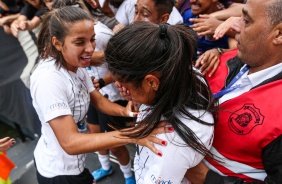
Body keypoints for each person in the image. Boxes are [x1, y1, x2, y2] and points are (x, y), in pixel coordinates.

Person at [31, 6, 171, 184]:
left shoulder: (76, 66)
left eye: (92, 39)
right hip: (57, 172)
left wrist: (127, 112)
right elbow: (70, 142)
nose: (90, 49)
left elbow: (98, 100)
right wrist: (134, 134)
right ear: (57, 43)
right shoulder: (48, 80)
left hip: (75, 166)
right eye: (80, 42)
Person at [105, 21, 216, 184]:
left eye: (122, 81)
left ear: (151, 82)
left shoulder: (169, 142)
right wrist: (137, 96)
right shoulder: (185, 74)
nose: (118, 86)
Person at [184, 0, 282, 183]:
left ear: (279, 34)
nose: (234, 26)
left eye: (246, 20)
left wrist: (206, 177)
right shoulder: (222, 57)